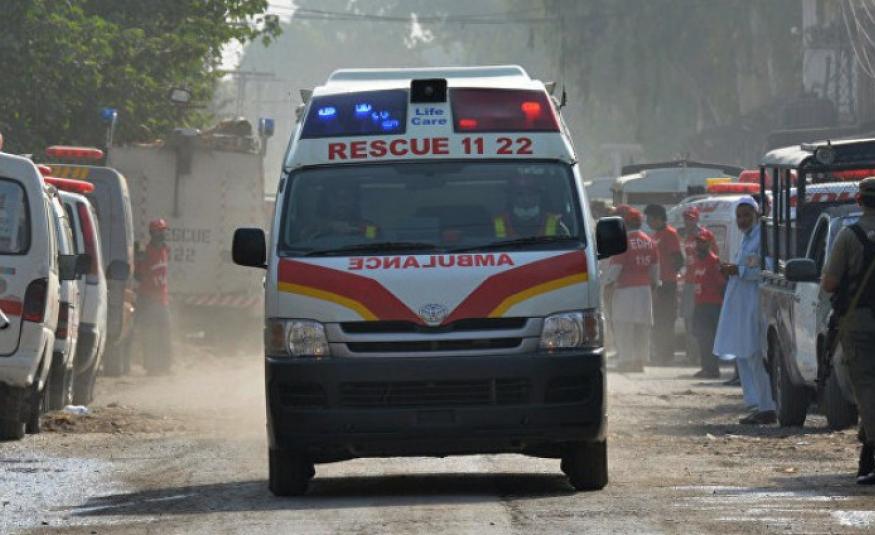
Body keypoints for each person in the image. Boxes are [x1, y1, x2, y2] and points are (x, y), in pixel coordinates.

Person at [821, 177, 875, 484]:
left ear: (859, 201)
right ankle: (868, 457)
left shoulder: (849, 235)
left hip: (860, 322)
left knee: (866, 388)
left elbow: (829, 283)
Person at [713, 196, 776, 425]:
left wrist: (738, 270)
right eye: (739, 216)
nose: (742, 220)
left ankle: (766, 406)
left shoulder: (762, 237)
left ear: (757, 215)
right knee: (745, 354)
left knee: (755, 354)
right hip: (742, 304)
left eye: (747, 215)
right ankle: (756, 404)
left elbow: (766, 268)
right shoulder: (746, 238)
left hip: (755, 304)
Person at [603, 207, 659, 372]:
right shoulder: (650, 241)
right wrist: (653, 287)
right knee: (642, 327)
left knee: (623, 326)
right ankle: (640, 361)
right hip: (645, 290)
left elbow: (616, 268)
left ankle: (626, 361)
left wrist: (607, 287)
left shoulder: (623, 242)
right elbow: (655, 270)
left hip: (625, 290)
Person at [645, 204, 684, 365]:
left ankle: (667, 355)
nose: (648, 222)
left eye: (649, 218)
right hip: (657, 283)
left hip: (667, 283)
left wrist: (669, 274)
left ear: (658, 218)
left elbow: (678, 259)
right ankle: (659, 352)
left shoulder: (670, 234)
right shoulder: (656, 235)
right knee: (657, 319)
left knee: (666, 319)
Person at [680, 206, 719, 367]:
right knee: (688, 318)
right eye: (686, 218)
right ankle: (692, 354)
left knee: (699, 321)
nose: (688, 221)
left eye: (691, 218)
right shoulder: (686, 237)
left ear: (697, 218)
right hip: (689, 281)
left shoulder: (705, 235)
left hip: (702, 283)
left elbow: (714, 257)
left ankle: (701, 356)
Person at [135, 219, 172, 374]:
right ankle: (151, 367)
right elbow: (138, 275)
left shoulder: (165, 250)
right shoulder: (146, 252)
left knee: (165, 333)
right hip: (148, 299)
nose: (162, 234)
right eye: (159, 231)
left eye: (164, 231)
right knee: (150, 334)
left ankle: (165, 366)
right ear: (152, 233)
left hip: (162, 300)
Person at [691, 233, 726, 379]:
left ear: (709, 244)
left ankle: (712, 369)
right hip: (700, 303)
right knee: (702, 337)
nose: (700, 245)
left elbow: (721, 282)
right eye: (698, 242)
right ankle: (705, 367)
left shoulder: (713, 260)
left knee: (710, 338)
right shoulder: (697, 260)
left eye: (703, 242)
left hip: (712, 305)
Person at [494, 175, 567, 238]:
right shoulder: (496, 224)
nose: (526, 199)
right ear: (511, 197)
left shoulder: (556, 224)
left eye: (531, 194)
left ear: (539, 196)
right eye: (519, 194)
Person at [305, 181, 379, 240]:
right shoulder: (315, 226)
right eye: (336, 198)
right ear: (327, 202)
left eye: (346, 198)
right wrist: (330, 226)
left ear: (355, 202)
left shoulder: (366, 226)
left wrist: (358, 229)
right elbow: (305, 238)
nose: (341, 203)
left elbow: (374, 239)